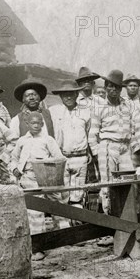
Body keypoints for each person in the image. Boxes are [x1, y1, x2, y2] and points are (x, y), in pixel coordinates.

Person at [9, 112, 65, 261]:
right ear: (27, 124)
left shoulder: (48, 140)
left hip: (47, 176)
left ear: (42, 124)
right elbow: (13, 158)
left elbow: (59, 158)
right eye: (32, 123)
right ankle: (39, 247)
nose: (35, 125)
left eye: (38, 123)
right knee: (35, 212)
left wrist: (47, 165)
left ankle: (65, 236)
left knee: (57, 205)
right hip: (28, 178)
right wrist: (15, 168)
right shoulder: (22, 140)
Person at [88, 70, 135, 216]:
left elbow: (133, 127)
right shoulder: (99, 107)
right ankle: (109, 220)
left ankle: (125, 217)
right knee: (107, 184)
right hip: (108, 146)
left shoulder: (128, 105)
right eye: (110, 86)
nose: (113, 90)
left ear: (121, 89)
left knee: (128, 181)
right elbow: (92, 134)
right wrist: (98, 153)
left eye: (117, 87)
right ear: (106, 87)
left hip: (125, 147)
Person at [49, 80, 91, 209]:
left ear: (77, 94)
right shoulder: (53, 111)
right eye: (65, 94)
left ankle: (78, 223)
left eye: (71, 94)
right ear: (60, 96)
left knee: (77, 194)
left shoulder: (86, 111)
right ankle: (65, 224)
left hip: (80, 157)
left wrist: (88, 152)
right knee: (63, 194)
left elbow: (89, 132)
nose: (68, 97)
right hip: (62, 157)